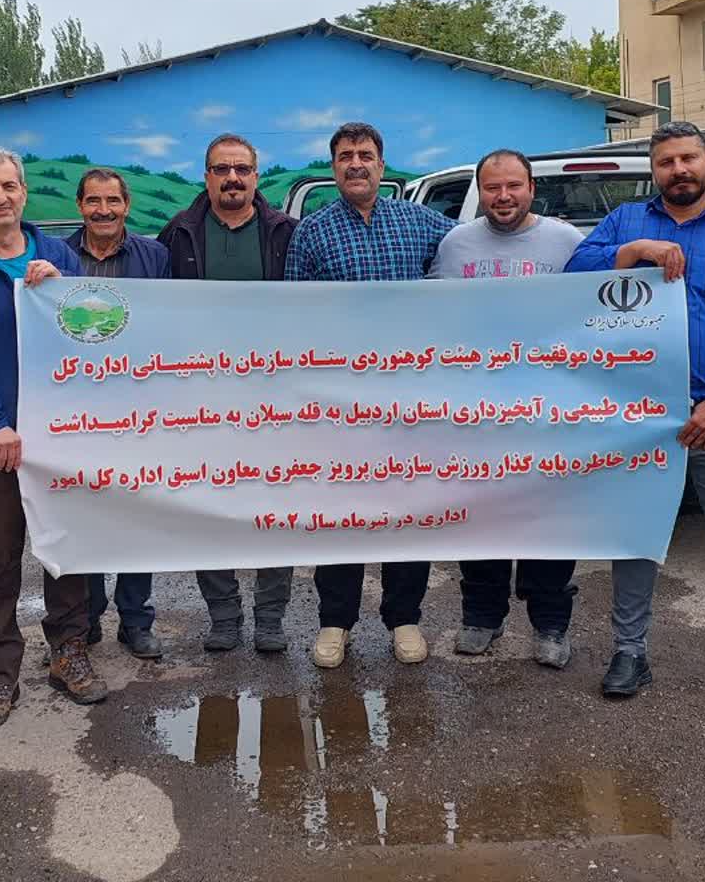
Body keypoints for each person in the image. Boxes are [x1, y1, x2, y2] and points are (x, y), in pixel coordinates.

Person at [564, 120, 705, 719]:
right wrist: (632, 254)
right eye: (666, 161)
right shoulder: (624, 223)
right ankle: (629, 651)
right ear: (654, 170)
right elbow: (572, 277)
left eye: (688, 158)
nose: (678, 170)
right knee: (637, 535)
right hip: (635, 412)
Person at [0, 149, 109, 719]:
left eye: (9, 186)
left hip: (60, 438)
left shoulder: (61, 256)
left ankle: (68, 652)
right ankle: (0, 671)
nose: (0, 197)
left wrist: (62, 291)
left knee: (66, 550)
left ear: (24, 193)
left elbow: (93, 333)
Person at [285, 121, 456, 669]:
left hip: (410, 400)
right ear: (333, 167)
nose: (355, 164)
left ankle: (404, 618)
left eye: (364, 154)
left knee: (408, 510)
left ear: (382, 165)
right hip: (341, 402)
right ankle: (336, 621)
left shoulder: (423, 223)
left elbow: (476, 259)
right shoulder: (312, 233)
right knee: (342, 512)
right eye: (344, 156)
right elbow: (294, 317)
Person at [428, 149, 584, 669]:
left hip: (549, 410)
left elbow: (597, 311)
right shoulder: (456, 245)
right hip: (477, 412)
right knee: (482, 517)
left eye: (513, 186)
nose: (503, 196)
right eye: (492, 187)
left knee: (551, 519)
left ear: (532, 189)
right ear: (481, 192)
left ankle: (551, 625)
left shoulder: (567, 241)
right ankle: (481, 617)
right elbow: (433, 319)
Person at [157, 133, 299, 653]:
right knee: (208, 505)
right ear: (207, 176)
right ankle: (223, 615)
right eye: (222, 169)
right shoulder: (178, 233)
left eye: (242, 169)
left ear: (256, 176)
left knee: (277, 505)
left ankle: (270, 617)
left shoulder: (286, 232)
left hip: (276, 398)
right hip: (200, 398)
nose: (232, 178)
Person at [63, 168, 170, 658]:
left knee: (135, 514)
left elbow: (168, 323)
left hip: (138, 406)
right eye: (93, 201)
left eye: (112, 201)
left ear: (127, 205)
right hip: (75, 406)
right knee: (82, 513)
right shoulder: (57, 256)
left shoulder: (154, 257)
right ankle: (84, 619)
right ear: (80, 205)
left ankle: (136, 620)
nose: (103, 210)